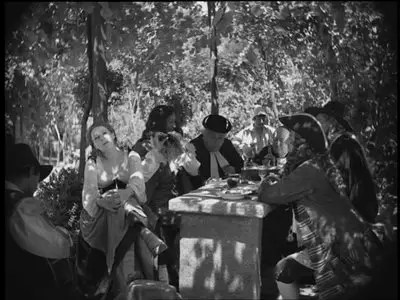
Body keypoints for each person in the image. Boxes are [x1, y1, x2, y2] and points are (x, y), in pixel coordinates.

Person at [258, 113, 384, 300]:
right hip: (356, 243)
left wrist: (265, 183)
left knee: (283, 269)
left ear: (303, 142)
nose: (287, 143)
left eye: (291, 138)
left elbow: (268, 195)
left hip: (346, 252)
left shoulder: (309, 170)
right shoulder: (319, 164)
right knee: (286, 268)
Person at [76, 121, 170, 300]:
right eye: (96, 137)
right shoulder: (93, 162)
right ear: (93, 144)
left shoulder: (131, 156)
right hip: (104, 212)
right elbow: (89, 193)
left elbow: (137, 182)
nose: (101, 138)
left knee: (127, 214)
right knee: (118, 213)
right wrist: (102, 201)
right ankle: (120, 280)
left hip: (130, 205)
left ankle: (139, 280)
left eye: (104, 133)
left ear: (112, 134)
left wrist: (124, 194)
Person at [5, 143, 74, 300]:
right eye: (37, 178)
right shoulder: (20, 205)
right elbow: (57, 247)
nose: (37, 186)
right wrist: (65, 235)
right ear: (30, 171)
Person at [305, 102, 378, 223]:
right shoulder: (340, 142)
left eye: (321, 122)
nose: (318, 127)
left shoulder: (343, 145)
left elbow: (340, 184)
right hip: (358, 208)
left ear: (332, 122)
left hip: (360, 212)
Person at [187, 114, 244, 189]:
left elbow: (240, 165)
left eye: (220, 138)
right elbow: (191, 176)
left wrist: (233, 169)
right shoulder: (193, 147)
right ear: (204, 135)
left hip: (228, 189)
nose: (216, 142)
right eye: (213, 137)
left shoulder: (227, 144)